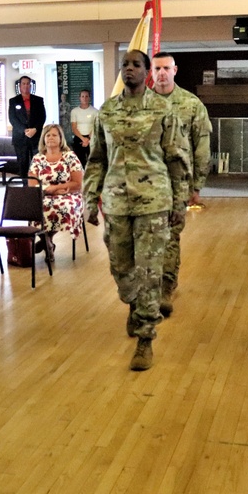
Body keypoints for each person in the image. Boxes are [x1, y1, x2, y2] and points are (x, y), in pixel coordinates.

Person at [83, 50, 189, 371]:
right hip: (116, 203)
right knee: (121, 267)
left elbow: (177, 159)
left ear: (146, 73)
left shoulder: (163, 109)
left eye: (135, 65)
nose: (129, 69)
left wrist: (180, 203)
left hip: (154, 202)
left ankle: (145, 338)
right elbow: (96, 159)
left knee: (149, 269)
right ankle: (132, 301)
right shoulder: (106, 112)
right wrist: (90, 199)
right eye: (125, 65)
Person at [151, 52, 211, 316]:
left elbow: (202, 147)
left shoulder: (191, 104)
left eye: (166, 68)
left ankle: (166, 285)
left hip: (177, 183)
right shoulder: (141, 103)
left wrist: (197, 186)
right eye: (157, 69)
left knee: (171, 235)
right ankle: (148, 284)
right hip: (146, 182)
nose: (161, 73)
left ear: (175, 70)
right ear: (151, 72)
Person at [28, 124, 83, 263]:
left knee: (63, 206)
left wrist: (58, 188)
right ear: (43, 139)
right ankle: (48, 242)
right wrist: (50, 190)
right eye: (48, 135)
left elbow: (78, 183)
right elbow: (32, 183)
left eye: (54, 135)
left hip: (69, 195)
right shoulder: (37, 158)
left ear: (60, 138)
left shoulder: (70, 156)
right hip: (43, 194)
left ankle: (46, 241)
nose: (51, 138)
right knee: (37, 207)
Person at [8, 75, 46, 179]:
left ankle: (37, 186)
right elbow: (13, 119)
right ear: (19, 86)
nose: (26, 86)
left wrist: (35, 129)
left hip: (36, 137)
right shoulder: (13, 101)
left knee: (37, 163)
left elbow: (42, 117)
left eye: (28, 84)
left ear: (31, 86)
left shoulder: (38, 100)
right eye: (23, 84)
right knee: (23, 164)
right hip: (20, 138)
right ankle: (25, 187)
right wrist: (24, 130)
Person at [69, 89, 97, 168]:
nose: (84, 98)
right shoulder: (74, 111)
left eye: (86, 96)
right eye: (82, 96)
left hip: (91, 138)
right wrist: (83, 139)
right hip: (79, 138)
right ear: (79, 98)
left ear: (89, 98)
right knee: (79, 162)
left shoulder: (95, 111)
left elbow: (95, 126)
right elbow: (74, 128)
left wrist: (88, 139)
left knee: (92, 161)